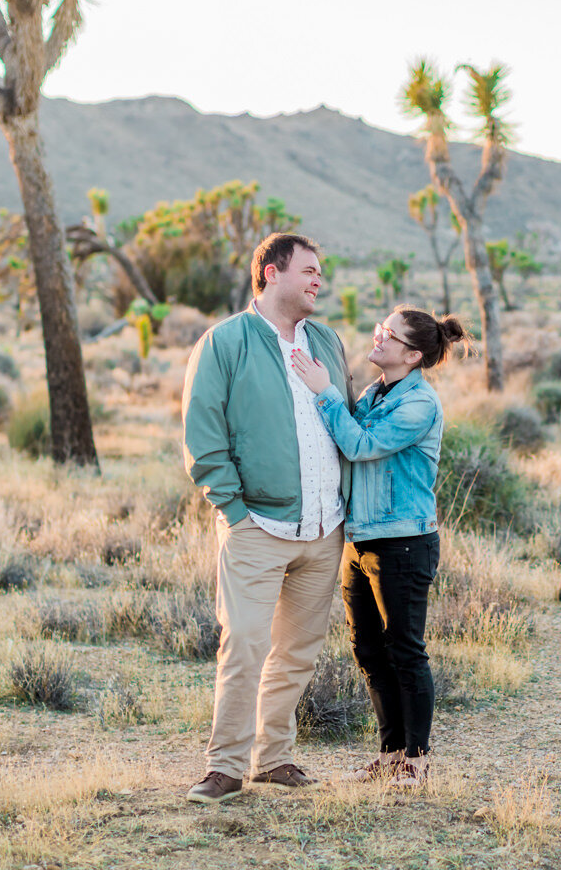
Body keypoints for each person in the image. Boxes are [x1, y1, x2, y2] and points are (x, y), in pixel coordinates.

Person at [180, 233, 355, 804]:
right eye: (308, 270)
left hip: (324, 528)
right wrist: (234, 511)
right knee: (247, 645)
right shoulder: (225, 342)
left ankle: (272, 758)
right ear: (272, 272)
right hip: (257, 525)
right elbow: (203, 434)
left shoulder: (327, 341)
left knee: (297, 652)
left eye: (320, 272)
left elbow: (345, 416)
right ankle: (225, 766)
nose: (318, 281)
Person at [289, 305, 466, 789]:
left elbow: (361, 446)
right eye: (380, 327)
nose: (378, 336)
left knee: (405, 651)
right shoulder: (374, 392)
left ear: (411, 354)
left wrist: (323, 392)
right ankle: (390, 755)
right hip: (361, 537)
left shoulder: (419, 404)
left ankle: (418, 759)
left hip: (403, 542)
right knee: (368, 650)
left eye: (389, 334)